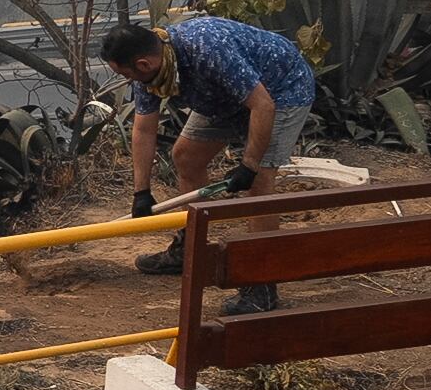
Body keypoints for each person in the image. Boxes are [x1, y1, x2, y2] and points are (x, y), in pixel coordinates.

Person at [98, 16, 318, 314]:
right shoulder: (151, 71)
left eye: (127, 74)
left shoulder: (207, 48)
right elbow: (143, 129)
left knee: (259, 184)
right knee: (186, 156)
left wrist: (250, 165)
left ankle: (262, 283)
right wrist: (141, 191)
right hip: (222, 97)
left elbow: (262, 105)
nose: (128, 81)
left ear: (143, 64)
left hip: (279, 92)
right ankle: (192, 251)